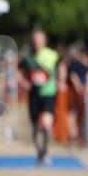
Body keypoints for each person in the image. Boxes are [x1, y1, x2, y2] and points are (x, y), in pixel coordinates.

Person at [18, 29, 60, 165]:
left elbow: (61, 67)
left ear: (44, 41)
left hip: (48, 93)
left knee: (46, 123)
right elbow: (19, 71)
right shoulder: (28, 58)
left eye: (40, 40)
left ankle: (45, 152)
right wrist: (24, 83)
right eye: (35, 41)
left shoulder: (52, 55)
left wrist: (62, 80)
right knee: (35, 127)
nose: (37, 43)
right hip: (34, 95)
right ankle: (40, 152)